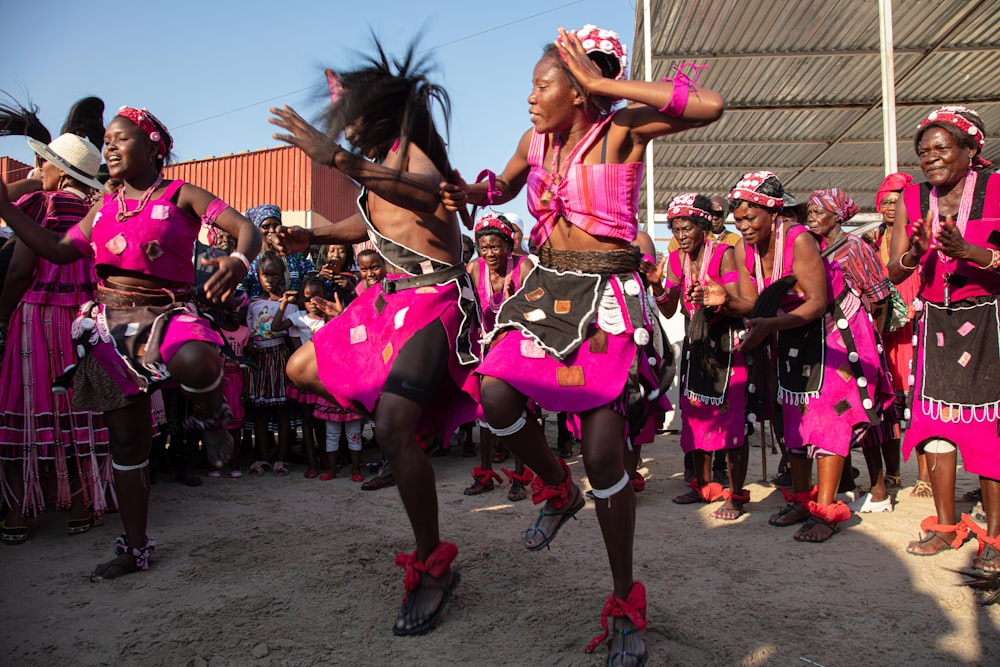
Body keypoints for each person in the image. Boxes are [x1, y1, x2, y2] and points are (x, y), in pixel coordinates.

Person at [441, 24, 723, 664]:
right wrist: (471, 194)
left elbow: (709, 106)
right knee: (494, 389)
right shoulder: (533, 141)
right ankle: (554, 489)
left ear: (577, 87)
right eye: (532, 86)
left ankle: (624, 597)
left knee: (601, 453)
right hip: (547, 289)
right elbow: (503, 190)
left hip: (607, 299)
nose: (531, 98)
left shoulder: (622, 130)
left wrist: (604, 85)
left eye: (544, 85)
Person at [269, 41, 479, 635]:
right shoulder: (380, 163)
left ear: (378, 113)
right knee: (300, 369)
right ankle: (404, 435)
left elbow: (416, 193)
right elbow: (372, 215)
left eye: (349, 118)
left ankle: (433, 565)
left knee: (390, 427)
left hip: (435, 301)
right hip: (386, 302)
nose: (345, 127)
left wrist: (334, 156)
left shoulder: (413, 156)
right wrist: (313, 238)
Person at [0, 106, 261, 578]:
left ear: (153, 148)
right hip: (109, 326)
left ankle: (213, 418)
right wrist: (4, 208)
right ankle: (134, 549)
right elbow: (59, 251)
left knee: (199, 361)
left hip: (168, 311)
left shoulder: (182, 194)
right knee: (127, 444)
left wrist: (239, 261)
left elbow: (247, 228)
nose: (112, 147)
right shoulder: (104, 206)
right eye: (108, 141)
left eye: (122, 139)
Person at [728, 172, 893, 544]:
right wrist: (724, 302)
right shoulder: (743, 248)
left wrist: (768, 324)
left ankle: (825, 507)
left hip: (833, 328)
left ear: (773, 212)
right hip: (789, 328)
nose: (743, 225)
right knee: (793, 414)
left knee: (825, 416)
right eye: (738, 219)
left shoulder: (799, 239)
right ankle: (802, 499)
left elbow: (817, 303)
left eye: (751, 217)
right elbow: (753, 300)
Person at [888, 106, 999, 571]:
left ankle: (994, 536)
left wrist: (971, 252)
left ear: (971, 150)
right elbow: (894, 270)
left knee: (992, 430)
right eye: (923, 150)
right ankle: (946, 525)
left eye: (941, 147)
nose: (930, 157)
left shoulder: (996, 189)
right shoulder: (912, 199)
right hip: (935, 321)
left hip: (990, 320)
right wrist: (914, 253)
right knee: (936, 427)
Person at [0, 133, 110, 544]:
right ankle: (82, 508)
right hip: (85, 322)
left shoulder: (39, 206)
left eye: (41, 163)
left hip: (36, 319)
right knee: (79, 412)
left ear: (57, 169)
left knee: (26, 410)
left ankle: (16, 513)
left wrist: (2, 315)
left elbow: (17, 270)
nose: (36, 168)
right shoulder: (97, 211)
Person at [653, 193, 749, 520]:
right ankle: (701, 485)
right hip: (697, 343)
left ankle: (735, 495)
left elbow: (743, 300)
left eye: (687, 228)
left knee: (730, 417)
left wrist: (714, 297)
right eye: (676, 229)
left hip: (726, 341)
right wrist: (656, 286)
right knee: (694, 416)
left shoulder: (724, 254)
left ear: (703, 227)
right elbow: (668, 308)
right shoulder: (678, 259)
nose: (681, 235)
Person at [805, 188, 896, 513]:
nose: (812, 216)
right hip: (825, 343)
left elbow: (880, 297)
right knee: (836, 413)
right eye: (811, 211)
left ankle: (880, 486)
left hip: (857, 341)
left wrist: (874, 341)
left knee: (865, 410)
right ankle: (844, 483)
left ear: (838, 216)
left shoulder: (855, 247)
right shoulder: (812, 249)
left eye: (819, 211)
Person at [871, 172, 932, 497]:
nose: (891, 206)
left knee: (917, 398)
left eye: (898, 200)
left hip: (916, 322)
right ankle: (893, 473)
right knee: (889, 400)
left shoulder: (917, 235)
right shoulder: (874, 238)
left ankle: (923, 475)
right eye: (886, 201)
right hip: (886, 327)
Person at [462, 212, 530, 500]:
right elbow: (464, 307)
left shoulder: (524, 266)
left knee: (520, 413)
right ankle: (486, 474)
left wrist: (518, 304)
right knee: (484, 414)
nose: (490, 253)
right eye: (484, 247)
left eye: (496, 247)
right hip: (485, 348)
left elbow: (536, 309)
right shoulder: (474, 268)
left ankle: (519, 478)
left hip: (516, 348)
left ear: (508, 244)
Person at [245, 252, 295, 477]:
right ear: (258, 275)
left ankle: (282, 459)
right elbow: (248, 330)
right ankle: (262, 457)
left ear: (282, 276)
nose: (270, 279)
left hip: (279, 357)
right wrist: (248, 346)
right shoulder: (253, 303)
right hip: (258, 360)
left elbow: (291, 333)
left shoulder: (289, 304)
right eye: (266, 274)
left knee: (282, 410)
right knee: (260, 412)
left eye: (275, 275)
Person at [240, 205, 315, 299]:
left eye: (275, 226)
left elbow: (312, 281)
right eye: (265, 227)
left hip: (293, 312)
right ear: (257, 229)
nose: (271, 230)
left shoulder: (296, 259)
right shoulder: (251, 260)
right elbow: (241, 292)